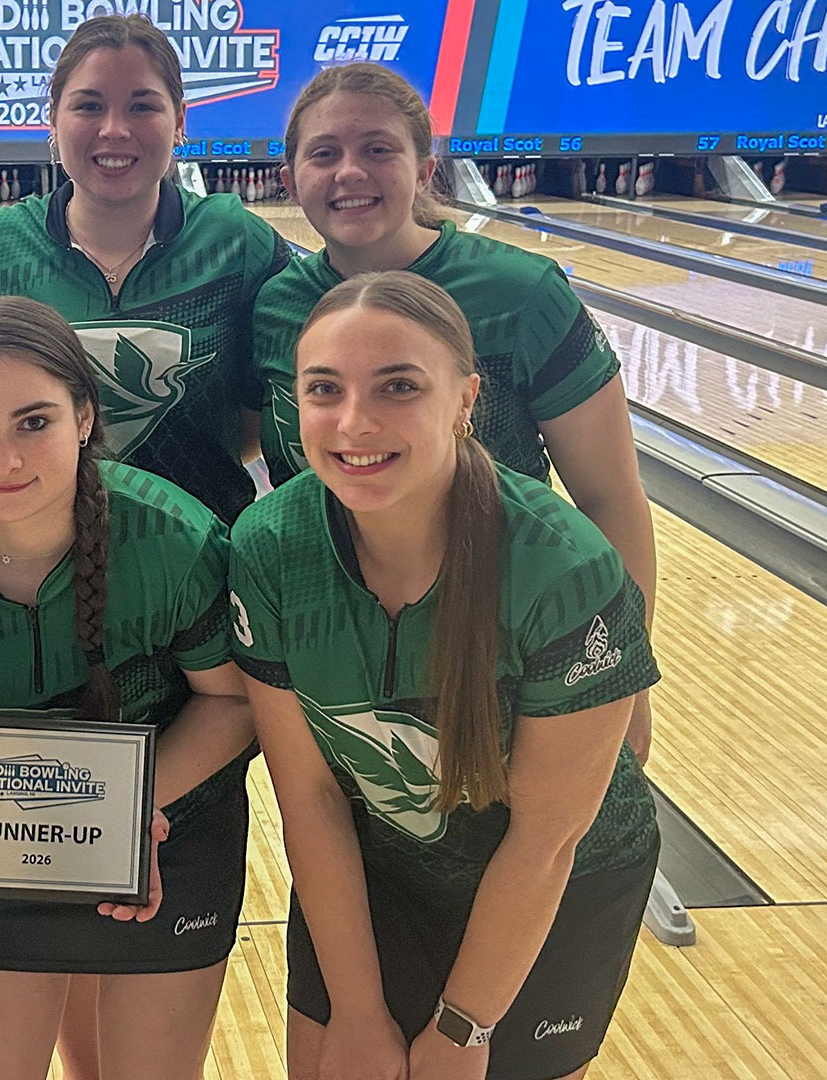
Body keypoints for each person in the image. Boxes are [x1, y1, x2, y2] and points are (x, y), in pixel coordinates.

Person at [231, 271, 661, 1080]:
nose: (354, 422)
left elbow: (544, 842)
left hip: (555, 895)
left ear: (465, 401)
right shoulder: (270, 546)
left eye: (398, 386)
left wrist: (465, 1029)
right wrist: (357, 1010)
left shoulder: (561, 569)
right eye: (324, 389)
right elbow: (311, 798)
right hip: (379, 871)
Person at [0, 295, 256, 1080]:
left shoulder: (173, 537)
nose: (4, 461)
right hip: (4, 836)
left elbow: (231, 701)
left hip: (171, 825)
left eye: (34, 422)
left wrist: (123, 811)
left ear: (84, 415)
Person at [256, 62, 657, 763]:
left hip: (512, 634)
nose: (350, 171)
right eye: (325, 153)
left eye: (378, 148)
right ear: (290, 181)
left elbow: (609, 495)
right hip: (342, 650)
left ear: (424, 170)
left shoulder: (521, 293)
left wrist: (618, 670)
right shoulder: (277, 307)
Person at [0, 14, 288, 525]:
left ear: (179, 121)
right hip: (39, 547)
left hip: (201, 548)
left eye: (142, 106)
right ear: (53, 120)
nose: (114, 129)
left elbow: (261, 413)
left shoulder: (238, 242)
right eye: (88, 106)